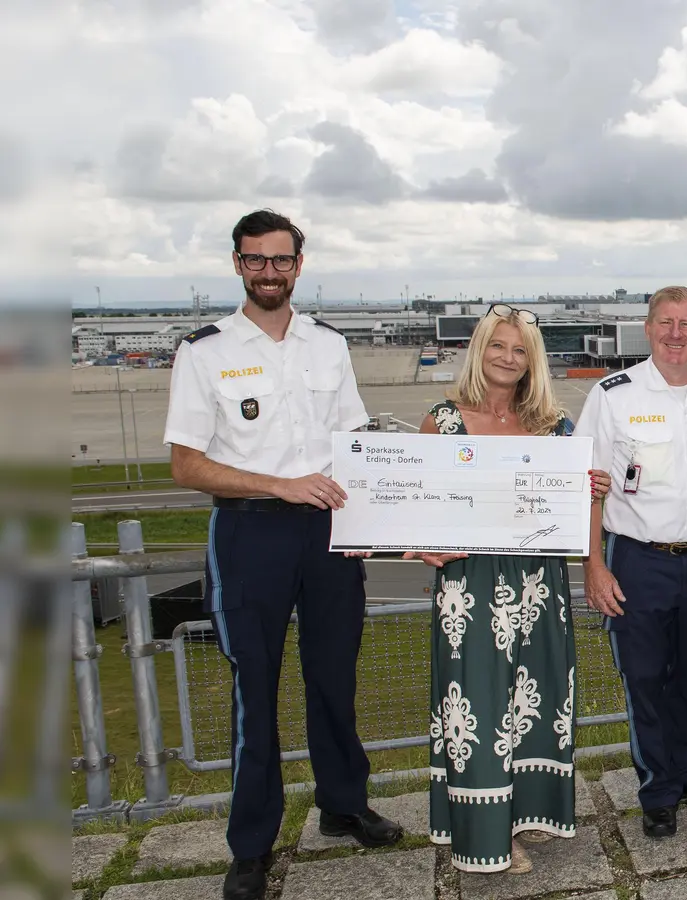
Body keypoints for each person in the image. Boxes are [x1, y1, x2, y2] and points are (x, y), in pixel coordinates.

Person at [164, 209, 402, 900]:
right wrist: (280, 484)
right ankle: (251, 846)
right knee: (255, 695)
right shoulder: (204, 351)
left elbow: (356, 443)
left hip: (327, 534)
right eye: (255, 260)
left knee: (334, 678)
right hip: (250, 533)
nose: (269, 272)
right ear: (237, 265)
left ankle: (343, 804)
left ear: (300, 264)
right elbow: (185, 464)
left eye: (281, 260)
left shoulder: (327, 345)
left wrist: (403, 521)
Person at [395, 304, 611, 874]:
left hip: (540, 580)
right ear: (480, 350)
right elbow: (410, 501)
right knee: (480, 706)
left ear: (531, 360)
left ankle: (527, 813)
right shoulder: (443, 421)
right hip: (471, 584)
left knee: (536, 699)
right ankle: (484, 835)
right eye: (498, 346)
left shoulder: (552, 425)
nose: (508, 358)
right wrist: (421, 545)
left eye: (520, 350)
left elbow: (582, 500)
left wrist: (594, 492)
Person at [572, 286, 687, 838]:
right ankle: (657, 787)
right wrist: (593, 565)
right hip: (635, 560)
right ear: (648, 329)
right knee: (646, 678)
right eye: (666, 323)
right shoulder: (612, 396)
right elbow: (588, 486)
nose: (677, 334)